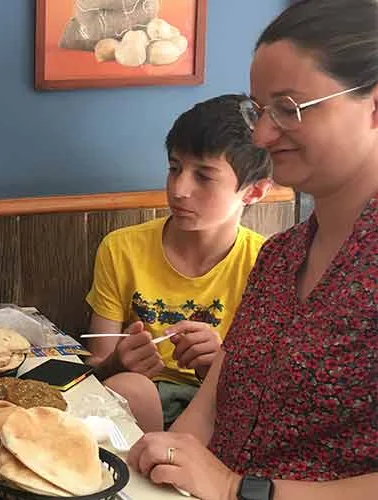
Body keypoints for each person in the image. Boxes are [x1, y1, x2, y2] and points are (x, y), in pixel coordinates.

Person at [129, 1, 378, 498]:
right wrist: (168, 454)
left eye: (289, 108)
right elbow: (218, 395)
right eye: (262, 110)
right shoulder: (280, 256)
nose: (262, 134)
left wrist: (236, 487)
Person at [84, 94, 272, 432]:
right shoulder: (121, 248)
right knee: (130, 387)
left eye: (204, 176)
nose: (179, 189)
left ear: (254, 192)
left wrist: (217, 366)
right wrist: (118, 361)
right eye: (174, 168)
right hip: (138, 405)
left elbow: (268, 391)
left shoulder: (268, 263)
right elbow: (98, 366)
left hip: (219, 408)